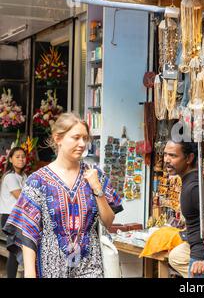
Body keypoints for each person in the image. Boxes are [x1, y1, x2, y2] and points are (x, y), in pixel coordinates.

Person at [2, 112, 123, 278]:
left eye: (85, 138)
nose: (82, 144)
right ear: (58, 138)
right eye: (76, 137)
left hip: (90, 266)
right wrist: (30, 273)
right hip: (52, 267)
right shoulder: (38, 181)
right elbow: (28, 231)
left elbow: (108, 222)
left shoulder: (96, 175)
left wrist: (97, 189)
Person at [164, 140, 204, 278]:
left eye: (173, 156)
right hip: (196, 252)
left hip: (199, 259)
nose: (166, 160)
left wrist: (202, 258)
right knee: (174, 256)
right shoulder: (190, 182)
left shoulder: (193, 188)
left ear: (189, 158)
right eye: (165, 155)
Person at [0, 147, 27, 278]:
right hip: (10, 217)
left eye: (23, 156)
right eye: (17, 156)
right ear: (10, 159)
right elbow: (22, 198)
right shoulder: (10, 177)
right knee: (14, 250)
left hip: (20, 217)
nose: (21, 159)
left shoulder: (23, 176)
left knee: (17, 250)